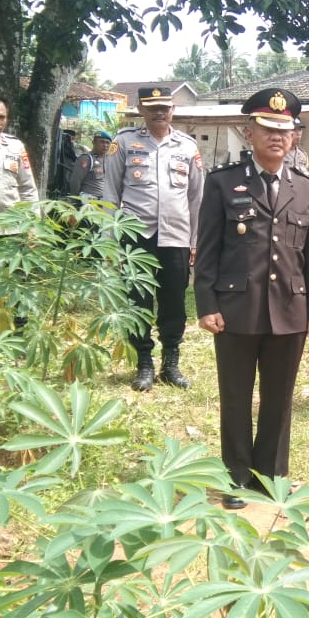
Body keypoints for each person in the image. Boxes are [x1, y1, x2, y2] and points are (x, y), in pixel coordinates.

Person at [195, 88, 309, 510]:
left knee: (279, 397)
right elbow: (208, 249)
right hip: (235, 309)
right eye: (267, 128)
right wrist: (206, 304)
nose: (276, 136)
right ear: (249, 132)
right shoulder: (223, 183)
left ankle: (270, 477)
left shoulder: (307, 190)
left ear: (295, 137)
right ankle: (235, 479)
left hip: (290, 308)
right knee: (235, 397)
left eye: (284, 130)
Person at [102, 86, 204, 392]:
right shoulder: (123, 143)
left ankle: (170, 363)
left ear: (173, 110)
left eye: (165, 107)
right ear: (141, 110)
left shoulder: (187, 146)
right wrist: (110, 239)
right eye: (153, 108)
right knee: (139, 301)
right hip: (137, 238)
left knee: (174, 301)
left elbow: (198, 197)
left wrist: (196, 241)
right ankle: (143, 363)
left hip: (176, 237)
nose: (160, 113)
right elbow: (109, 193)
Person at [67, 130, 112, 198]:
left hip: (104, 202)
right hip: (89, 202)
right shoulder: (86, 159)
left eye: (107, 143)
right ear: (94, 142)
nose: (105, 145)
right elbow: (75, 181)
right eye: (102, 142)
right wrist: (76, 200)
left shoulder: (109, 160)